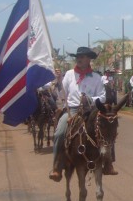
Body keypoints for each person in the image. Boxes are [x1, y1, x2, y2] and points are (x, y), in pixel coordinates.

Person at [49, 47, 115, 182]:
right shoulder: (68, 75)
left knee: (108, 128)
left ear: (89, 59)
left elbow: (102, 97)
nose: (79, 59)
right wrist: (59, 85)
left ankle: (108, 163)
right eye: (78, 57)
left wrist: (90, 99)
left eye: (83, 57)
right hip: (72, 110)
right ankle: (57, 167)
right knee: (59, 132)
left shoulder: (97, 77)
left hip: (91, 111)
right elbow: (62, 95)